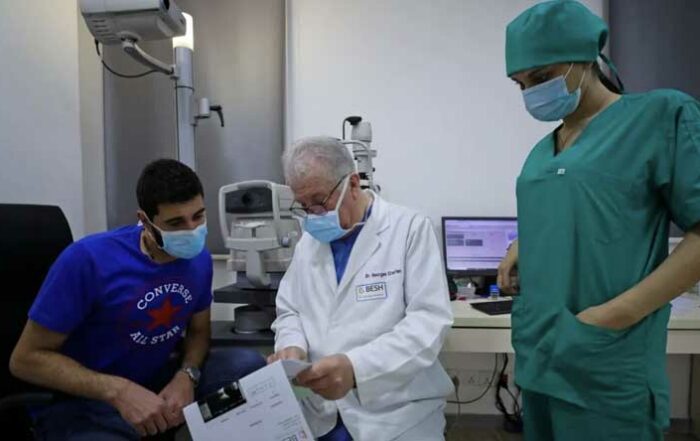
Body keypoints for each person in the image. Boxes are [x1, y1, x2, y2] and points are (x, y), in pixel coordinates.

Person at [498, 1, 700, 440]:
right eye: (520, 84)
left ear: (584, 58)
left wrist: (618, 313)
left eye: (542, 77)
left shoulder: (658, 117)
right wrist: (523, 243)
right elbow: (578, 211)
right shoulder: (543, 150)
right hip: (542, 352)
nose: (531, 92)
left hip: (606, 359)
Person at [9, 159, 266, 440]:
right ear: (144, 220)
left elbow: (199, 332)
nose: (191, 230)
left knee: (248, 366)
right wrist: (119, 391)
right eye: (176, 223)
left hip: (155, 383)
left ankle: (178, 426)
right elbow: (25, 360)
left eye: (198, 217)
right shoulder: (87, 260)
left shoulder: (199, 260)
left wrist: (187, 376)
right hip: (86, 401)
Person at [268, 136, 454, 440]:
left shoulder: (409, 229)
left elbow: (428, 322)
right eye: (303, 206)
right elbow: (290, 310)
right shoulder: (309, 243)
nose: (313, 215)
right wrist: (292, 346)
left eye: (320, 201)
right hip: (321, 411)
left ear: (353, 184)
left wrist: (356, 368)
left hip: (395, 413)